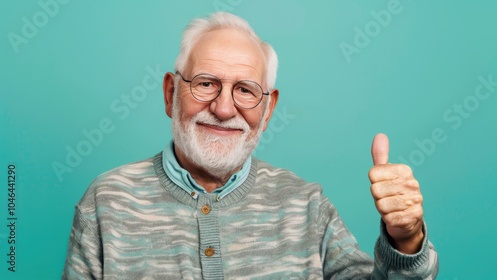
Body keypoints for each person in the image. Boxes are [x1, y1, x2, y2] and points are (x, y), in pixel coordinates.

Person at [62, 12, 438, 279]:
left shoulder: (306, 205)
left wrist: (405, 242)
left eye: (244, 90)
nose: (224, 109)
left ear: (268, 108)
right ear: (170, 93)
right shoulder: (106, 201)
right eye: (206, 83)